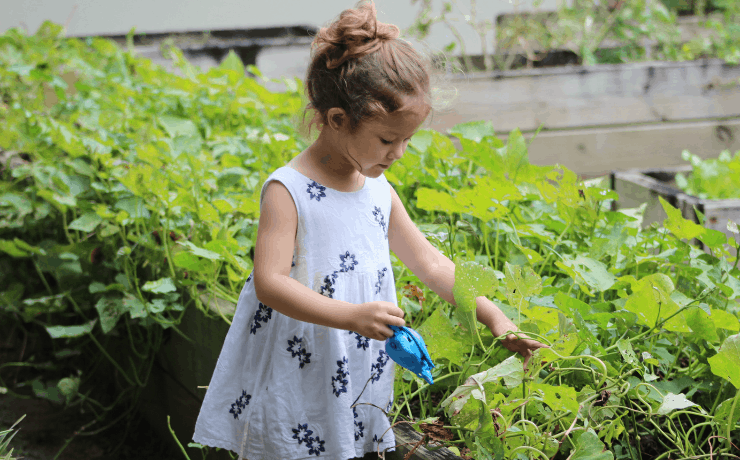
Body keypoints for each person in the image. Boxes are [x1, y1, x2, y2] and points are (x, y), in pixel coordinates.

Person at [192, 1, 547, 459]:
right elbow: (270, 283)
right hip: (300, 357)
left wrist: (495, 317)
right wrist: (351, 316)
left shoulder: (378, 191)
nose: (398, 153)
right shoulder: (289, 190)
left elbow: (431, 263)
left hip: (352, 362)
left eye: (407, 140)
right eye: (387, 139)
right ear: (338, 119)